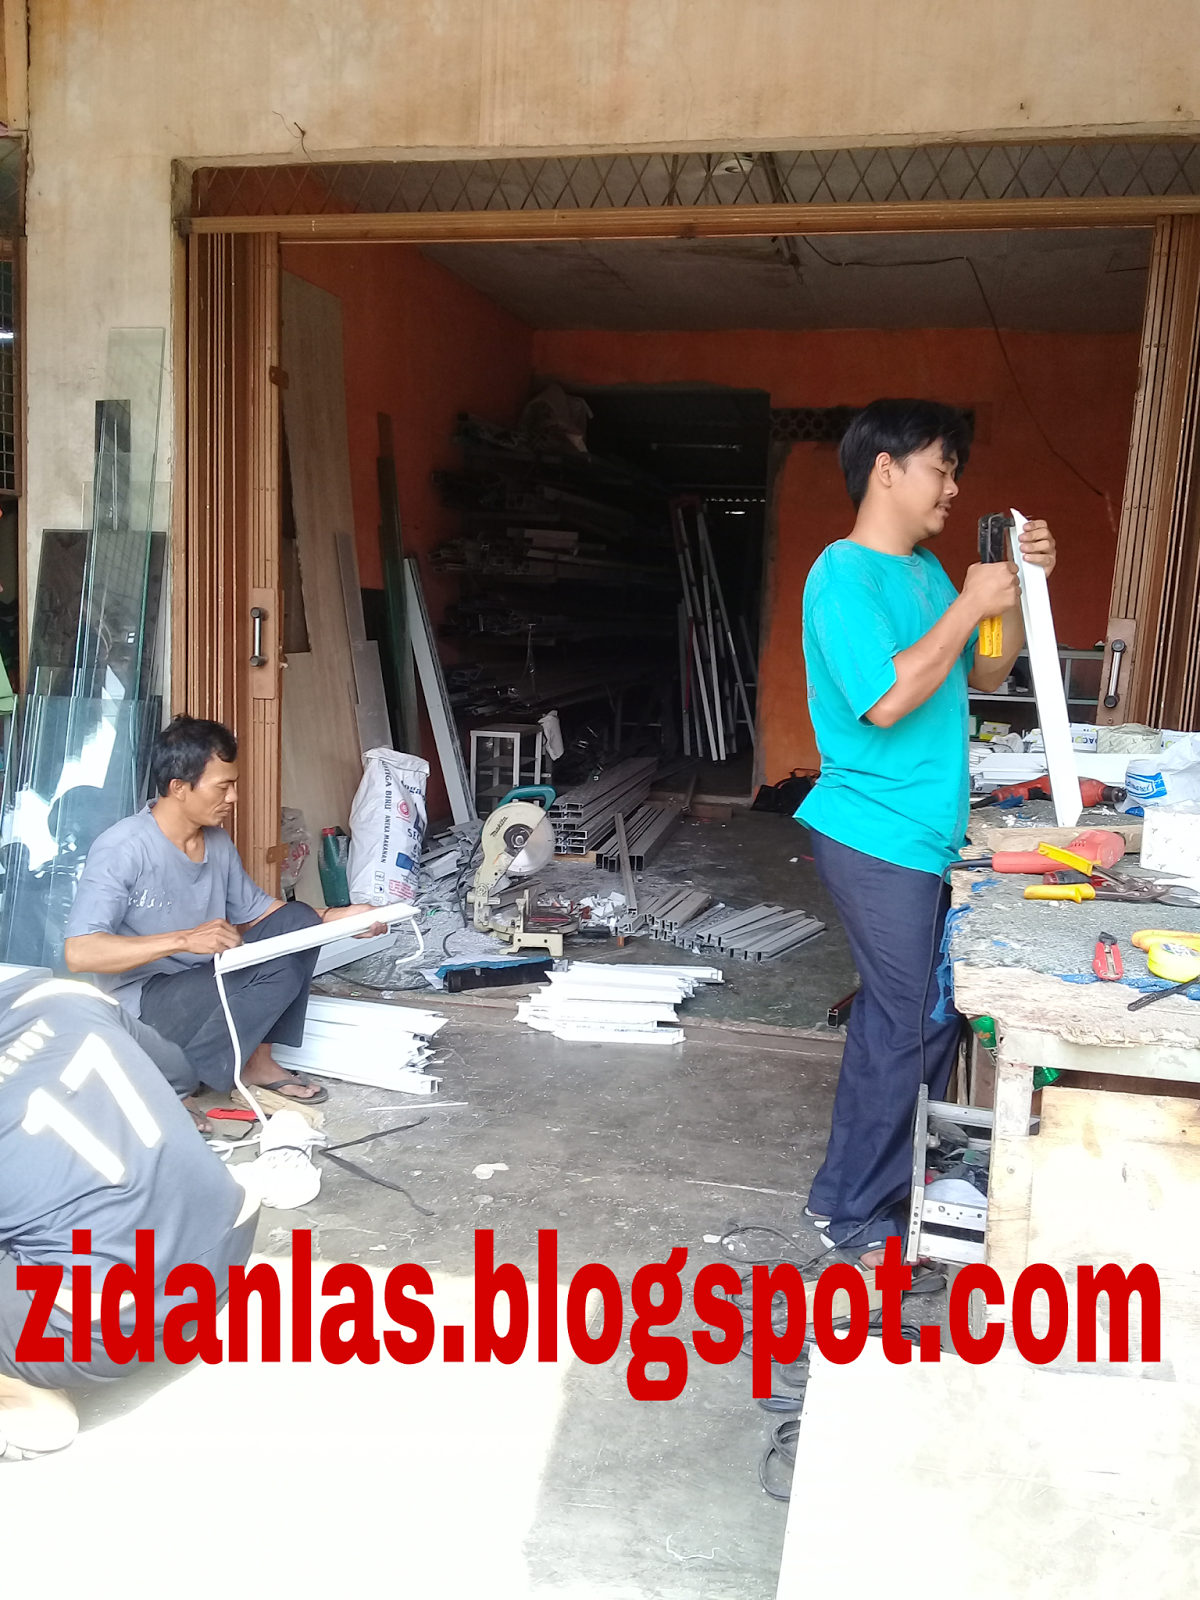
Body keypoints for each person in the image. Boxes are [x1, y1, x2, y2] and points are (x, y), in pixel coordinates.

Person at [797, 399, 1056, 1266]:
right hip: (874, 833)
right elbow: (885, 698)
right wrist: (969, 600)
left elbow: (986, 665)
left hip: (924, 834)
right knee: (907, 1018)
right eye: (942, 469)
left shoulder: (927, 572)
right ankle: (854, 1210)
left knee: (924, 1011)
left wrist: (1014, 590)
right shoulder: (842, 575)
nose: (951, 486)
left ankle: (874, 1188)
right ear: (887, 469)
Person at [63, 715, 383, 1127]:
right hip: (143, 1004)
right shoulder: (123, 848)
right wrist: (182, 940)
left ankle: (255, 1063)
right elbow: (80, 952)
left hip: (205, 981)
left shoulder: (215, 841)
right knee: (275, 966)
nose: (233, 797)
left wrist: (341, 919)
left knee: (299, 920)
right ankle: (167, 1080)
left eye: (234, 785)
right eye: (222, 787)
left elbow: (264, 912)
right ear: (179, 787)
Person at [0, 969, 258, 1459]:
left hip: (107, 1331)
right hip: (226, 1253)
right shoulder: (59, 992)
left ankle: (20, 1400)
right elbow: (179, 1074)